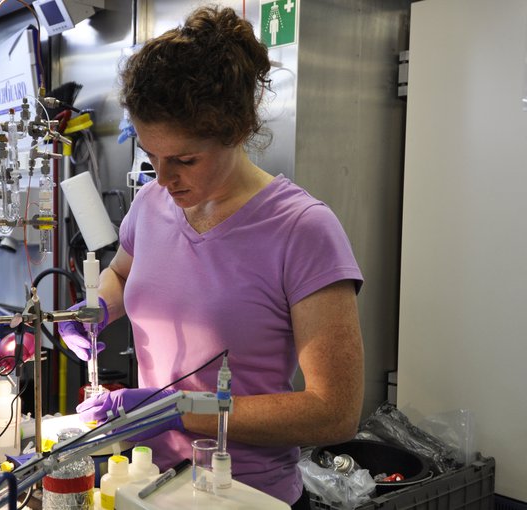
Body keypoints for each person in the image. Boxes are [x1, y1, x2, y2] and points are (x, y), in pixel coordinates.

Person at [57, 5, 364, 507]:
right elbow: (120, 272)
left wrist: (175, 409)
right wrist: (98, 309)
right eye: (151, 156)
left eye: (184, 159)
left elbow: (334, 412)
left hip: (244, 494)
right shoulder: (152, 204)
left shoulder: (302, 230)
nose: (164, 177)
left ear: (237, 131)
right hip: (146, 485)